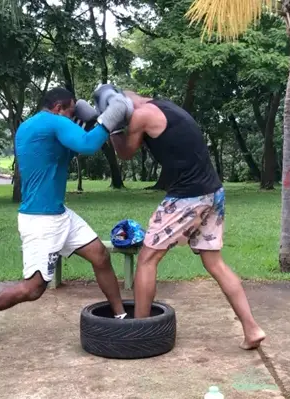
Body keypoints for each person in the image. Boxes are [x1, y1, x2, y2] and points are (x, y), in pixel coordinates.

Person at [93, 85, 266, 350]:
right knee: (215, 263)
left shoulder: (142, 116)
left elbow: (125, 154)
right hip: (213, 192)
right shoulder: (164, 105)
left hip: (188, 197)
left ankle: (140, 335)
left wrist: (112, 126)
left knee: (147, 259)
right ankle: (252, 329)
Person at [0, 87, 133, 347]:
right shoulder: (53, 122)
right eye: (71, 111)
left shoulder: (30, 126)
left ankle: (120, 316)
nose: (72, 117)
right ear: (59, 108)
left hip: (59, 214)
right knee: (33, 289)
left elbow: (68, 152)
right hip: (41, 221)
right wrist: (110, 117)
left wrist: (89, 123)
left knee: (100, 255)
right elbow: (88, 145)